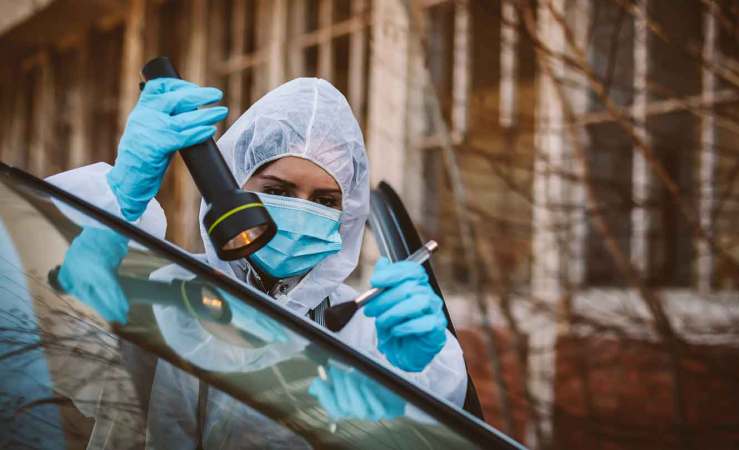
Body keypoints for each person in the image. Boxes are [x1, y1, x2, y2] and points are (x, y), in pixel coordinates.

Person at [47, 77, 467, 447]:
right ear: (232, 184)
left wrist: (414, 378)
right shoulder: (157, 295)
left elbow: (419, 441)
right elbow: (43, 336)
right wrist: (110, 212)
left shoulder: (364, 335)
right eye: (279, 190)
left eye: (325, 201)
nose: (301, 212)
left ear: (349, 216)